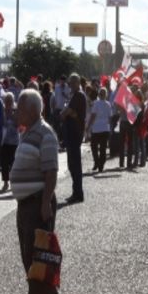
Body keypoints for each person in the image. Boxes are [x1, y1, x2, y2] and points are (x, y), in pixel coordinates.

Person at [9, 89, 60, 294]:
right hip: (26, 203)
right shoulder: (29, 132)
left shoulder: (45, 133)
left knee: (37, 256)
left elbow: (51, 172)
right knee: (31, 256)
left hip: (37, 202)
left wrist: (45, 203)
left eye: (20, 108)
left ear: (31, 110)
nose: (16, 112)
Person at [60, 73, 87, 204]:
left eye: (71, 83)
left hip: (75, 134)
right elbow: (67, 112)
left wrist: (66, 113)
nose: (69, 85)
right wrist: (67, 113)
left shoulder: (78, 95)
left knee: (74, 164)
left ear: (76, 83)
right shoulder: (76, 95)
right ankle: (76, 192)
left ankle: (78, 193)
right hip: (72, 133)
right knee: (72, 164)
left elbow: (67, 112)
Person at [87, 87, 112, 172]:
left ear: (99, 94)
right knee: (103, 148)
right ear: (106, 95)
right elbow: (110, 117)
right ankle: (101, 165)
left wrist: (88, 126)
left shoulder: (96, 103)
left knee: (94, 147)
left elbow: (93, 116)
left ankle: (97, 162)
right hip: (105, 128)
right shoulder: (108, 104)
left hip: (96, 128)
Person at [0, 92, 19, 192]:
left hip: (14, 141)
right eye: (6, 101)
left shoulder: (16, 111)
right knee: (4, 163)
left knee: (13, 163)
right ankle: (6, 182)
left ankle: (13, 182)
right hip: (4, 141)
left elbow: (18, 124)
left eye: (10, 101)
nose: (8, 103)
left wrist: (11, 114)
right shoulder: (1, 111)